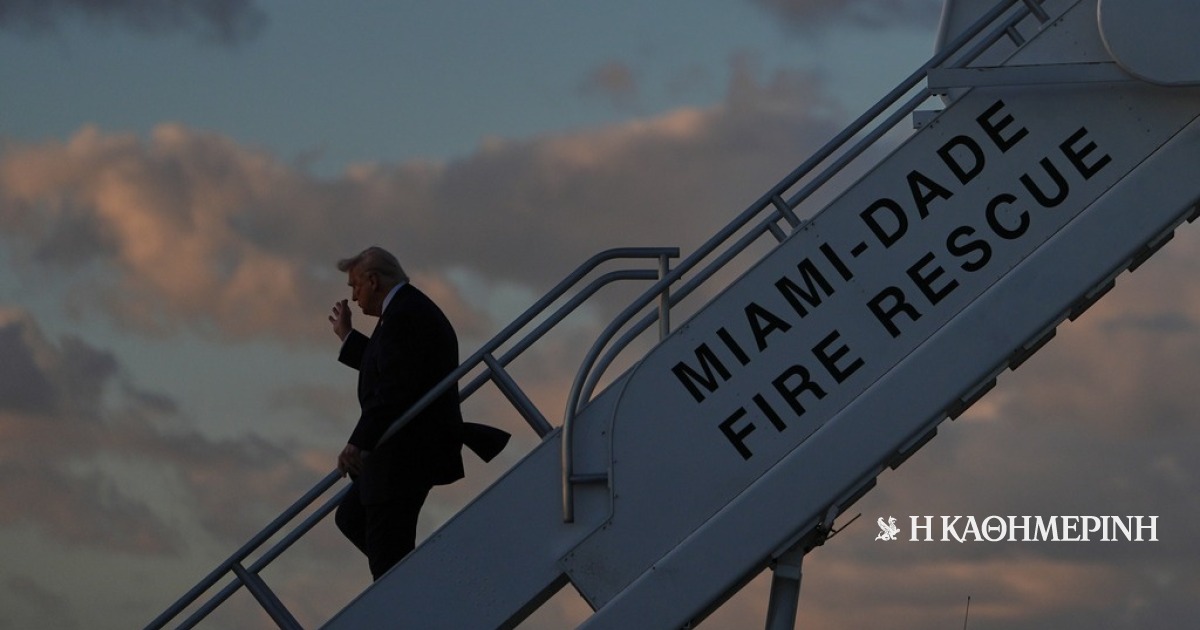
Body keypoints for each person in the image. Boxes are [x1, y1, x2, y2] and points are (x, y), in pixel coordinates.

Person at [328, 246, 467, 580]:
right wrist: (348, 337)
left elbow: (393, 388)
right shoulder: (405, 311)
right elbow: (391, 364)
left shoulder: (404, 316)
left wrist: (358, 442)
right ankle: (418, 583)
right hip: (403, 453)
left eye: (355, 286)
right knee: (352, 517)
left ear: (373, 281)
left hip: (405, 457)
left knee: (387, 557)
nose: (354, 297)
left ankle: (420, 591)